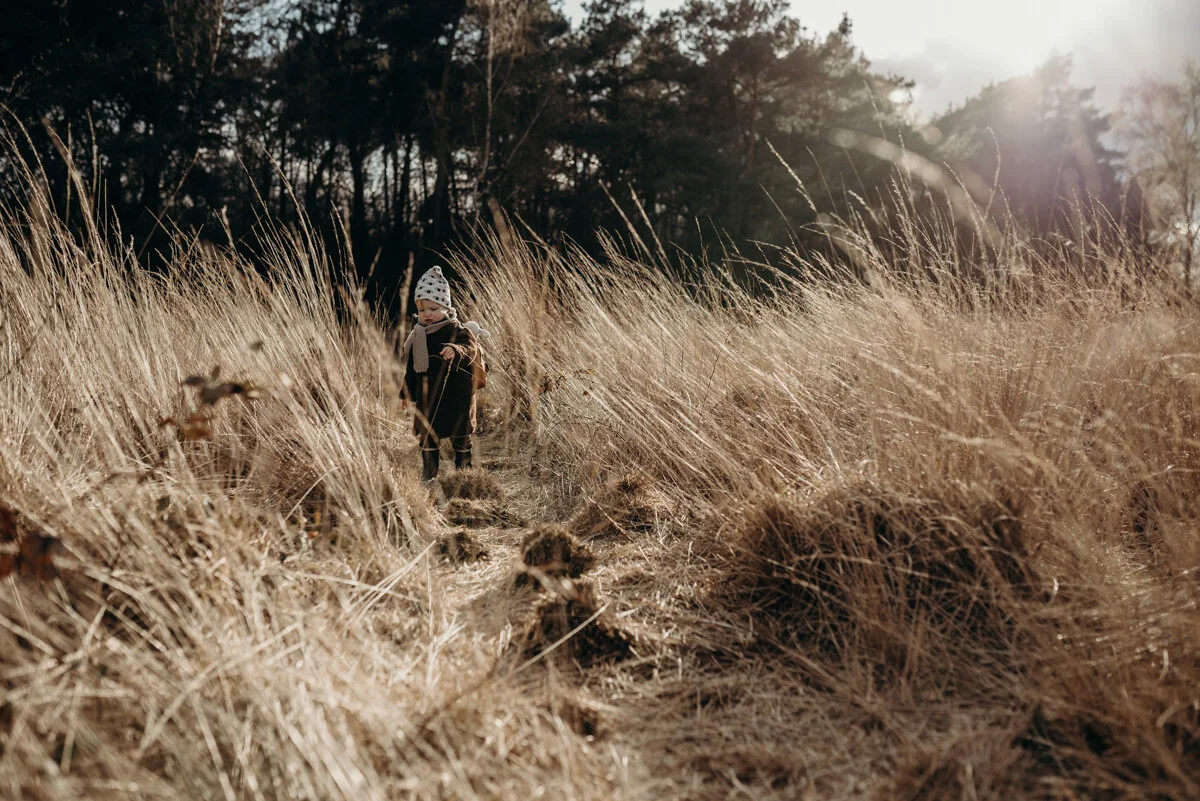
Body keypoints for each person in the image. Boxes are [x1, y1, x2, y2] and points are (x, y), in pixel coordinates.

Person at [400, 267, 490, 482]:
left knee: (461, 436)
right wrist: (405, 393)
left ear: (446, 308)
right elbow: (412, 369)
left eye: (433, 308)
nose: (427, 314)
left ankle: (464, 474)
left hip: (457, 396)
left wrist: (454, 349)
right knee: (428, 437)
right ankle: (429, 475)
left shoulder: (459, 331)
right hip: (428, 397)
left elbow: (470, 349)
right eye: (421, 311)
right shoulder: (418, 337)